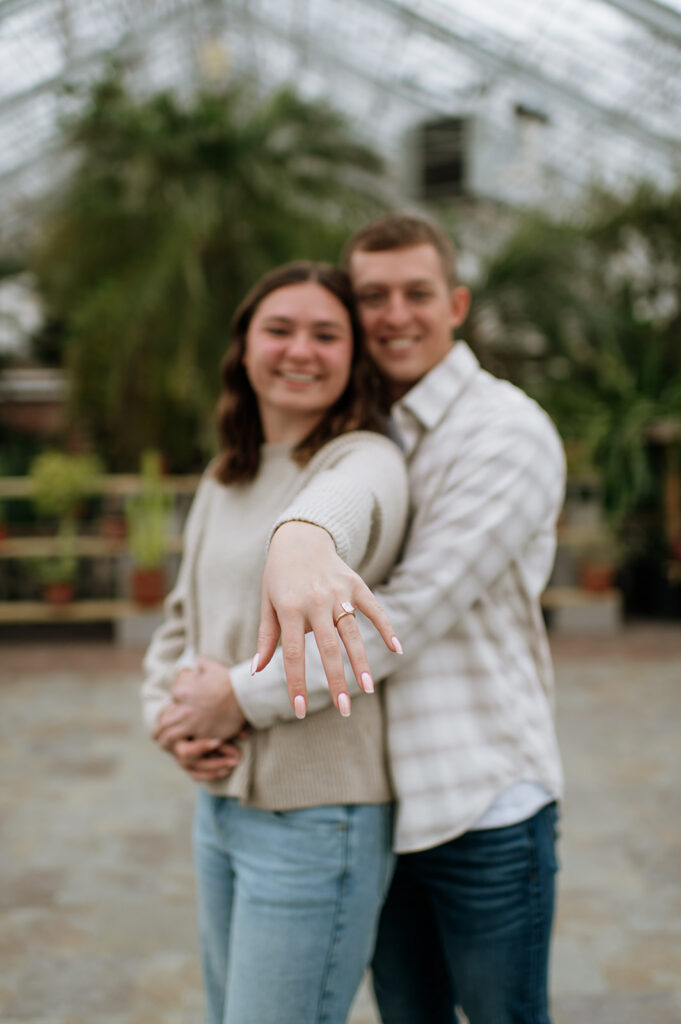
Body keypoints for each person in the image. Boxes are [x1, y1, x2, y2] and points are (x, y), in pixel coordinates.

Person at [164, 214, 567, 1024]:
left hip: (474, 797)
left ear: (456, 304)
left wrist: (235, 696)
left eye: (417, 293)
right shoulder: (362, 423)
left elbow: (401, 614)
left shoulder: (503, 430)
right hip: (380, 800)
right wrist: (174, 711)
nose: (394, 315)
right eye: (373, 296)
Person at [141, 260, 409, 1024]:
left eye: (326, 335)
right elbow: (179, 620)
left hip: (318, 818)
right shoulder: (225, 475)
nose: (300, 350)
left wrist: (304, 534)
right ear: (244, 346)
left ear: (354, 357)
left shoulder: (366, 458)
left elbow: (345, 503)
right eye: (279, 330)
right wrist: (170, 721)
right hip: (218, 808)